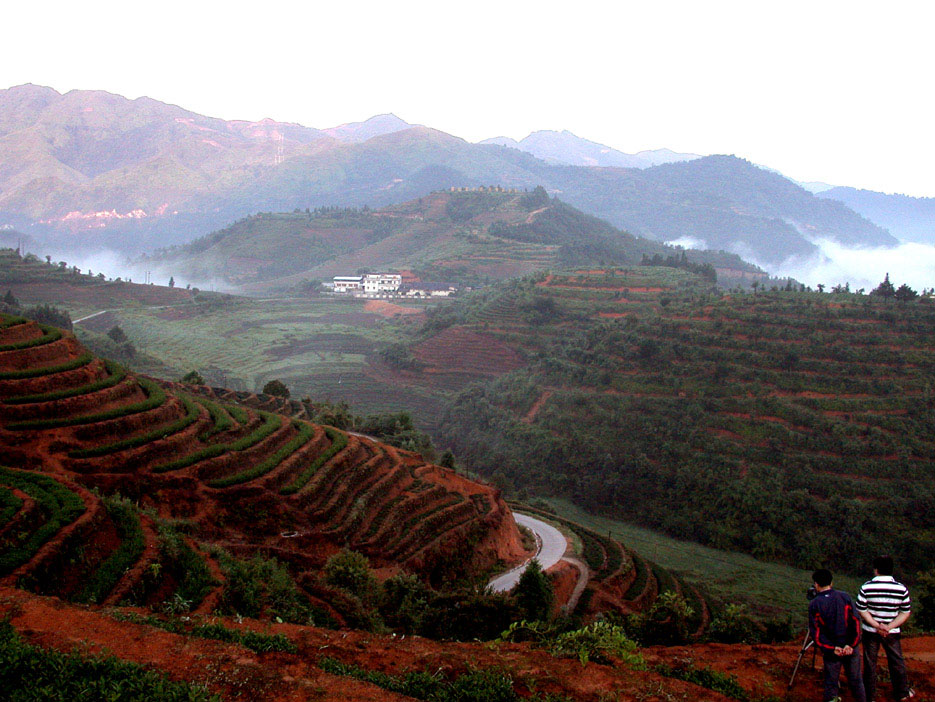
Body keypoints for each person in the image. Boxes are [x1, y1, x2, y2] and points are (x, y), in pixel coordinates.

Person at [856, 556, 915, 702]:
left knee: (870, 664)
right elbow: (905, 611)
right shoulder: (901, 589)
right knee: (896, 661)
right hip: (892, 632)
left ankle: (869, 697)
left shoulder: (866, 587)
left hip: (870, 631)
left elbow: (861, 610)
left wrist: (876, 625)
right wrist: (889, 626)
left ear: (876, 570)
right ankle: (902, 693)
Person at [808, 568, 865, 702]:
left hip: (832, 651)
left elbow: (815, 633)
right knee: (856, 680)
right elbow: (856, 622)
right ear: (831, 583)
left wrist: (831, 648)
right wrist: (851, 645)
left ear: (816, 584)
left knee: (831, 683)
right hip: (850, 648)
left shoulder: (815, 604)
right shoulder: (844, 597)